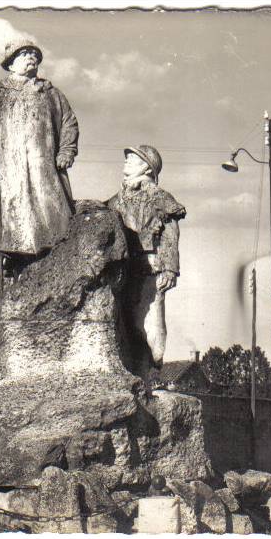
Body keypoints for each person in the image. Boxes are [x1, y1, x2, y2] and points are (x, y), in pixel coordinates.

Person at [0, 40, 79, 289]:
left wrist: (66, 151)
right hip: (12, 169)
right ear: (11, 62)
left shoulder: (49, 92)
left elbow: (69, 122)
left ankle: (55, 263)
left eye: (34, 54)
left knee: (52, 215)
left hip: (45, 167)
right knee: (16, 220)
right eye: (25, 54)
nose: (31, 58)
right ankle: (19, 270)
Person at [107, 145, 186, 371]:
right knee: (124, 323)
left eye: (133, 159)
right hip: (124, 269)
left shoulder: (160, 198)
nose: (126, 161)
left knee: (149, 325)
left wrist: (170, 269)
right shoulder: (116, 200)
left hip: (151, 268)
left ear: (147, 168)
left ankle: (149, 370)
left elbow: (171, 233)